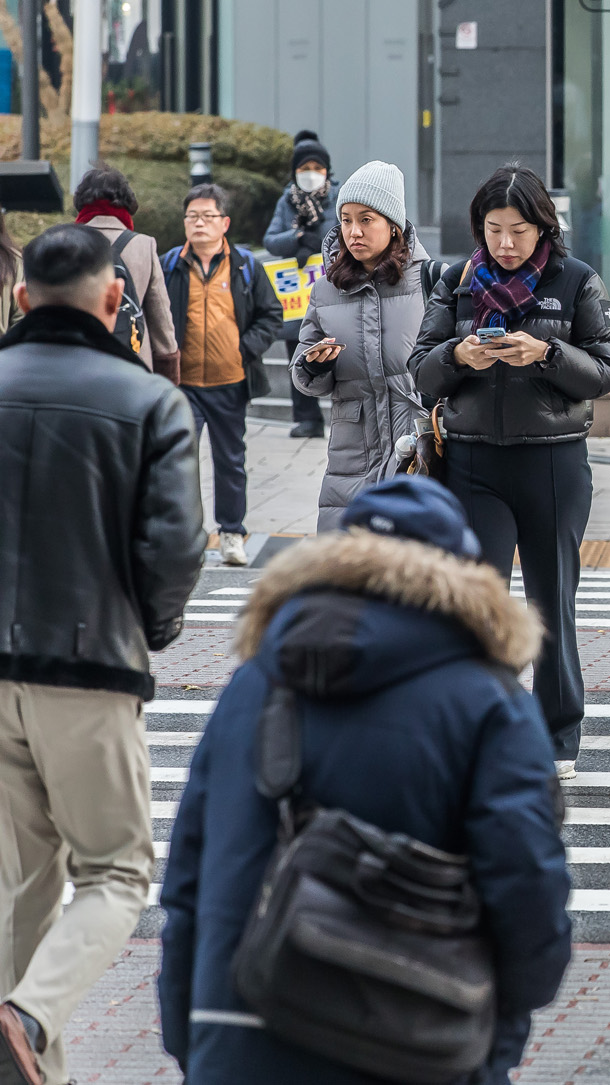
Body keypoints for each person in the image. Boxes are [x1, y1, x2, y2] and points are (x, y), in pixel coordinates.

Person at [157, 476, 572, 1084]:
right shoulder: (489, 703)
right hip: (414, 1040)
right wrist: (496, 1041)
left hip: (243, 1030)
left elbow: (188, 878)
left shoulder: (254, 684)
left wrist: (193, 1034)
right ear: (460, 575)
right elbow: (527, 887)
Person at [0, 224, 205, 1085]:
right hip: (90, 664)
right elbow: (176, 546)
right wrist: (149, 630)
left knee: (22, 883)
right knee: (117, 869)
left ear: (20, 299)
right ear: (113, 298)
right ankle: (26, 1015)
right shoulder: (150, 402)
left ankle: (30, 1056)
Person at [412, 165, 610, 781]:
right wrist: (458, 354)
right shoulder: (455, 281)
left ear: (543, 229)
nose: (506, 243)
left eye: (519, 231)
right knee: (481, 604)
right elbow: (419, 368)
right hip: (473, 460)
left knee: (551, 600)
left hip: (553, 462)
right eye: (494, 229)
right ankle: (481, 726)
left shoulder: (576, 280)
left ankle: (558, 734)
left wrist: (548, 354)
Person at [290, 161, 432, 532]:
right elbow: (304, 376)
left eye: (366, 219)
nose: (354, 232)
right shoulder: (326, 289)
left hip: (416, 444)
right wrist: (316, 365)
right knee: (348, 574)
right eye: (347, 220)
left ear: (393, 226)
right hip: (352, 451)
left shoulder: (431, 282)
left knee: (412, 573)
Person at [161, 184, 286, 568]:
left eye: (207, 216)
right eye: (192, 216)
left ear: (224, 223)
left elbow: (271, 315)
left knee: (230, 461)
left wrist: (243, 348)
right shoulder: (169, 264)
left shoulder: (247, 265)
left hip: (230, 381)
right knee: (179, 462)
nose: (199, 223)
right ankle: (186, 535)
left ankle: (232, 533)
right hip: (182, 386)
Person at [264, 130, 340, 437]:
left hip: (333, 287)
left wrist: (316, 242)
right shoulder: (287, 200)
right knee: (298, 353)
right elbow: (270, 240)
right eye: (304, 169)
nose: (311, 175)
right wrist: (297, 238)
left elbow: (340, 233)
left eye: (317, 169)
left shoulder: (337, 196)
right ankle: (306, 419)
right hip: (297, 294)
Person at [73, 165, 180, 380]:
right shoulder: (144, 245)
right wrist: (168, 370)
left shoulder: (67, 241)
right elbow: (160, 313)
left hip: (79, 362)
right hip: (133, 364)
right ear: (127, 202)